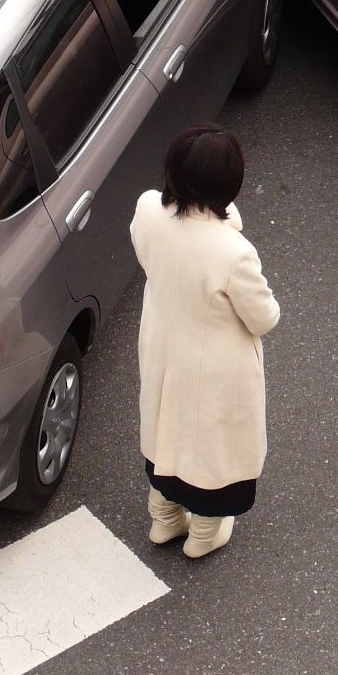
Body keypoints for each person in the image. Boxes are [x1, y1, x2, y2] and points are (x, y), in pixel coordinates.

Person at [130, 125, 280, 558]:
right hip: (214, 368)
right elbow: (264, 317)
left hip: (162, 345)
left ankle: (164, 521)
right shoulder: (233, 252)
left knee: (164, 432)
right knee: (211, 450)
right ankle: (203, 535)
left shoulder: (146, 210)